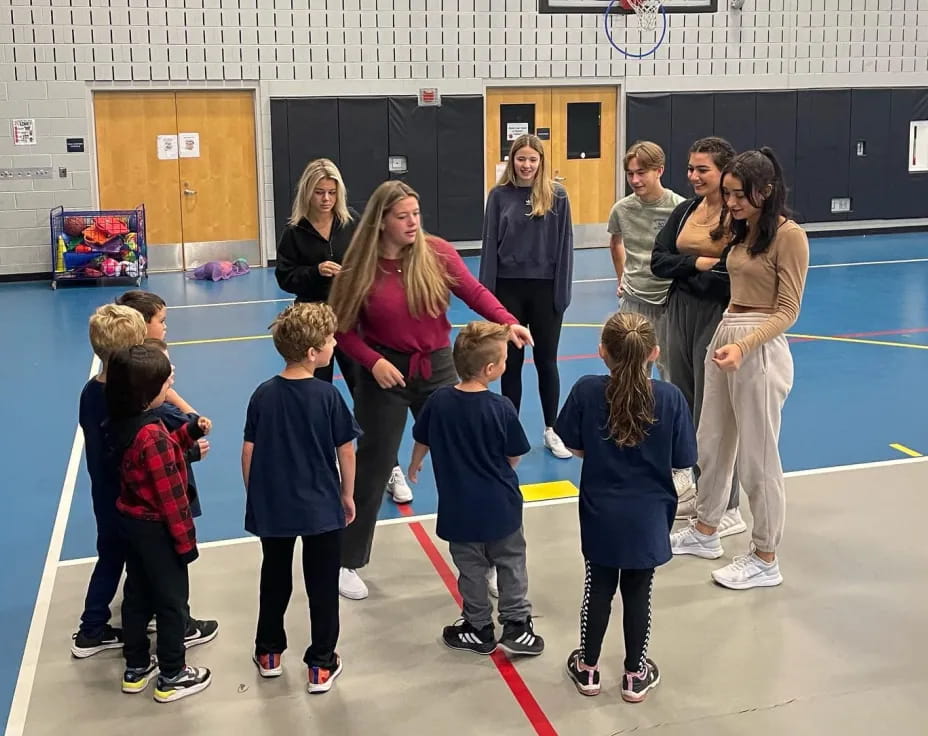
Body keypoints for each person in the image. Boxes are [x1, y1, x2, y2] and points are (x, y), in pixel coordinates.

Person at [329, 179, 532, 601]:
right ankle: (347, 560)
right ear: (382, 221)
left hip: (437, 366)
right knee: (372, 465)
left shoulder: (436, 252)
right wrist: (374, 362)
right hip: (384, 373)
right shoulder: (361, 266)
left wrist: (506, 319)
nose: (412, 223)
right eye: (402, 217)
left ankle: (489, 558)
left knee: (469, 460)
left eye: (416, 215)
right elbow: (342, 330)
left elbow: (473, 292)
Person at [669, 148, 809, 590]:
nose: (730, 203)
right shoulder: (741, 230)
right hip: (726, 331)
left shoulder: (789, 236)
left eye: (738, 195)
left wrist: (744, 346)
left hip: (759, 346)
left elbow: (788, 310)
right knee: (710, 441)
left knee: (758, 458)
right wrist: (726, 340)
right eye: (727, 194)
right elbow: (679, 242)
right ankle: (706, 530)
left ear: (765, 192)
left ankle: (765, 555)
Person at [554, 313, 696, 702]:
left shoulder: (586, 391)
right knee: (639, 590)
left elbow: (573, 445)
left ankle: (588, 669)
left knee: (597, 587)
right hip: (649, 515)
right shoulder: (669, 398)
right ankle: (635, 674)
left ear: (602, 352)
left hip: (601, 510)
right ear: (655, 353)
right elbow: (682, 459)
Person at [71, 309, 216, 659]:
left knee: (113, 557)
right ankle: (176, 627)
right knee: (155, 569)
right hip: (134, 499)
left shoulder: (91, 392)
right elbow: (151, 460)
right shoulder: (135, 410)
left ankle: (92, 627)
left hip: (105, 493)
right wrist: (190, 450)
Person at [275, 159, 412, 505]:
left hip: (352, 321)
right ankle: (323, 468)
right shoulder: (294, 234)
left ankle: (388, 468)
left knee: (367, 398)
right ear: (307, 193)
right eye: (319, 192)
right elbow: (285, 277)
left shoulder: (351, 225)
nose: (325, 199)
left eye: (331, 193)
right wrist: (315, 271)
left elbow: (373, 261)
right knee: (316, 399)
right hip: (312, 328)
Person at [242, 302, 361, 694]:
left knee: (273, 578)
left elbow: (249, 451)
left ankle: (269, 653)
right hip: (320, 508)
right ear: (313, 353)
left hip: (274, 506)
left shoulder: (262, 395)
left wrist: (255, 495)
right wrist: (347, 495)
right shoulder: (327, 397)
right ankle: (322, 664)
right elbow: (346, 450)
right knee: (322, 585)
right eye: (329, 340)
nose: (334, 344)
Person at [408, 322, 543, 657]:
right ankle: (517, 624)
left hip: (459, 508)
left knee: (470, 569)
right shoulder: (501, 408)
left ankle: (478, 626)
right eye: (504, 359)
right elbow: (514, 454)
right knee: (511, 562)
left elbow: (421, 437)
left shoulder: (439, 400)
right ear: (491, 369)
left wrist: (415, 463)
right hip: (501, 505)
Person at [106, 345, 212, 702]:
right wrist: (185, 543)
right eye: (166, 385)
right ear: (147, 394)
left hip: (131, 522)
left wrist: (190, 433)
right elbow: (171, 497)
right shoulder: (151, 434)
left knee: (137, 595)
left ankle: (136, 667)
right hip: (158, 531)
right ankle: (172, 673)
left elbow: (157, 456)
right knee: (171, 601)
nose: (171, 389)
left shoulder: (126, 422)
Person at [650, 137, 745, 533]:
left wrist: (693, 268)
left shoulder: (739, 217)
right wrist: (698, 263)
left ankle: (729, 506)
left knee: (716, 411)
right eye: (690, 168)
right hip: (679, 311)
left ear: (724, 171)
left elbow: (734, 269)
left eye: (701, 169)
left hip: (718, 314)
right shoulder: (686, 209)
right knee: (684, 403)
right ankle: (702, 495)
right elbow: (659, 260)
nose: (692, 176)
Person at [479, 133, 574, 459]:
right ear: (512, 161)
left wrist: (561, 294)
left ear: (541, 162)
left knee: (547, 361)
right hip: (508, 289)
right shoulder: (499, 196)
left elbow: (565, 247)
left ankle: (551, 429)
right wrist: (486, 296)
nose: (527, 165)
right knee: (512, 363)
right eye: (521, 159)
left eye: (533, 159)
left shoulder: (557, 196)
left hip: (545, 290)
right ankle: (510, 428)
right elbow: (489, 244)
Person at [607, 141, 686, 381]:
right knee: (630, 372)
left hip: (668, 302)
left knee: (670, 372)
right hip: (633, 300)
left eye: (641, 173)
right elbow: (616, 242)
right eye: (630, 174)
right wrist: (622, 278)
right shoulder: (621, 209)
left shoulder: (680, 208)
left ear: (659, 170)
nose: (635, 180)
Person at [115, 290, 196, 415]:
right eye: (161, 321)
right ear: (141, 325)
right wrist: (173, 397)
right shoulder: (143, 365)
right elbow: (195, 425)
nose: (165, 326)